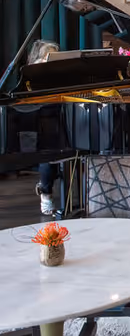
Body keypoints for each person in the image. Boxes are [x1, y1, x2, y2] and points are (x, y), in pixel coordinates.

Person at [28, 40, 60, 215]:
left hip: (62, 114)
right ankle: (46, 194)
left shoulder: (61, 73)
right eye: (48, 57)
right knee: (48, 158)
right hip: (43, 117)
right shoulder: (34, 74)